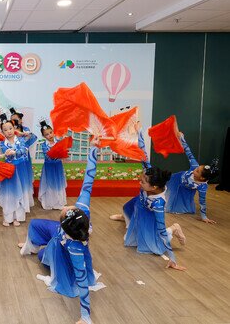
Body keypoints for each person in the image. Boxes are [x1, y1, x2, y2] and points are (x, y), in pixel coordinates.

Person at [19, 137, 104, 324]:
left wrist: (85, 316)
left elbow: (82, 282)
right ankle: (33, 244)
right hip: (60, 235)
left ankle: (39, 248)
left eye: (66, 212)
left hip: (60, 247)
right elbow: (89, 179)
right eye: (71, 209)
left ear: (63, 223)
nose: (67, 207)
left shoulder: (74, 249)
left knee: (42, 256)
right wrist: (93, 148)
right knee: (34, 224)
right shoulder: (83, 210)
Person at [111, 129, 187, 271]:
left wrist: (172, 258)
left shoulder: (158, 205)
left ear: (153, 187)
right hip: (141, 204)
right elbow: (143, 154)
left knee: (154, 248)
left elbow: (161, 232)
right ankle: (125, 217)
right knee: (127, 215)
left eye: (142, 182)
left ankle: (174, 228)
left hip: (149, 210)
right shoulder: (149, 174)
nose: (139, 183)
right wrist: (138, 132)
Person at [165, 132, 219, 224]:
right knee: (165, 189)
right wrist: (181, 138)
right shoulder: (194, 165)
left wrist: (204, 217)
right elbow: (188, 151)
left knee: (173, 202)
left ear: (202, 178)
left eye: (197, 171)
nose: (194, 170)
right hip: (176, 179)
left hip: (185, 189)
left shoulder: (202, 187)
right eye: (197, 168)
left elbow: (202, 202)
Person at [0, 113, 30, 226]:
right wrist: (9, 153)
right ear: (3, 132)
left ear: (14, 128)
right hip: (9, 170)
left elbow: (23, 150)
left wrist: (15, 152)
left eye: (10, 128)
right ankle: (8, 217)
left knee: (20, 191)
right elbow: (5, 155)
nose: (9, 131)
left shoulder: (20, 140)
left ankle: (18, 217)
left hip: (20, 168)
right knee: (9, 193)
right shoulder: (2, 144)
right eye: (5, 130)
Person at [38, 120, 67, 209]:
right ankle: (49, 203)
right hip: (49, 167)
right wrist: (55, 153)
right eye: (47, 134)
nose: (50, 135)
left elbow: (62, 152)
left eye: (51, 132)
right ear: (43, 136)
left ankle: (58, 203)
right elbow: (47, 156)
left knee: (58, 183)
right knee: (49, 184)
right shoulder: (44, 145)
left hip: (58, 166)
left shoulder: (58, 141)